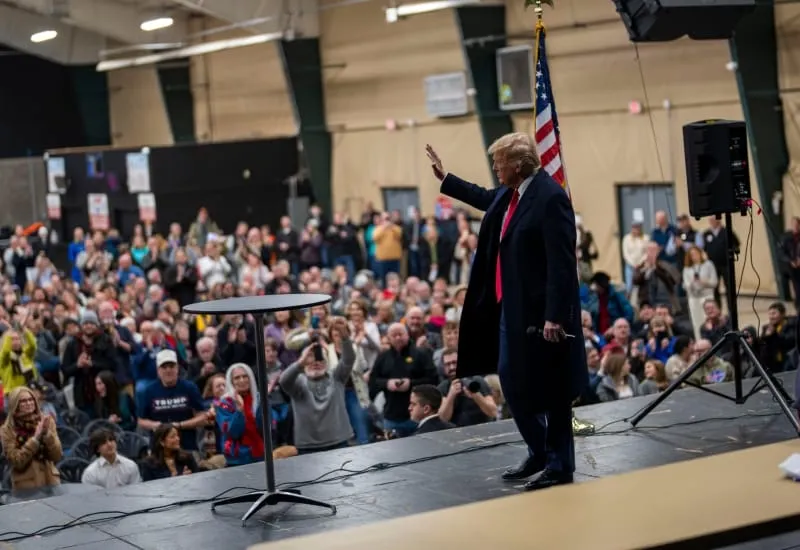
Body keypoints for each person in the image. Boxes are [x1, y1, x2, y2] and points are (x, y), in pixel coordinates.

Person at [426, 133, 587, 491]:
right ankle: (539, 450)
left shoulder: (549, 199)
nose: (495, 169)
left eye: (499, 163)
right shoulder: (513, 193)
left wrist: (554, 317)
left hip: (542, 318)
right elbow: (485, 197)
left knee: (552, 391)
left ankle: (560, 465)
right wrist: (445, 179)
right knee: (512, 384)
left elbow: (562, 265)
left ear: (516, 165)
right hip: (510, 309)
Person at [0, 387, 62, 492]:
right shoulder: (7, 429)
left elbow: (57, 455)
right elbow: (17, 462)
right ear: (15, 404)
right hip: (26, 488)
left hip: (51, 482)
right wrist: (35, 439)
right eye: (23, 401)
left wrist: (47, 435)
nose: (29, 403)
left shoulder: (46, 421)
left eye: (31, 399)